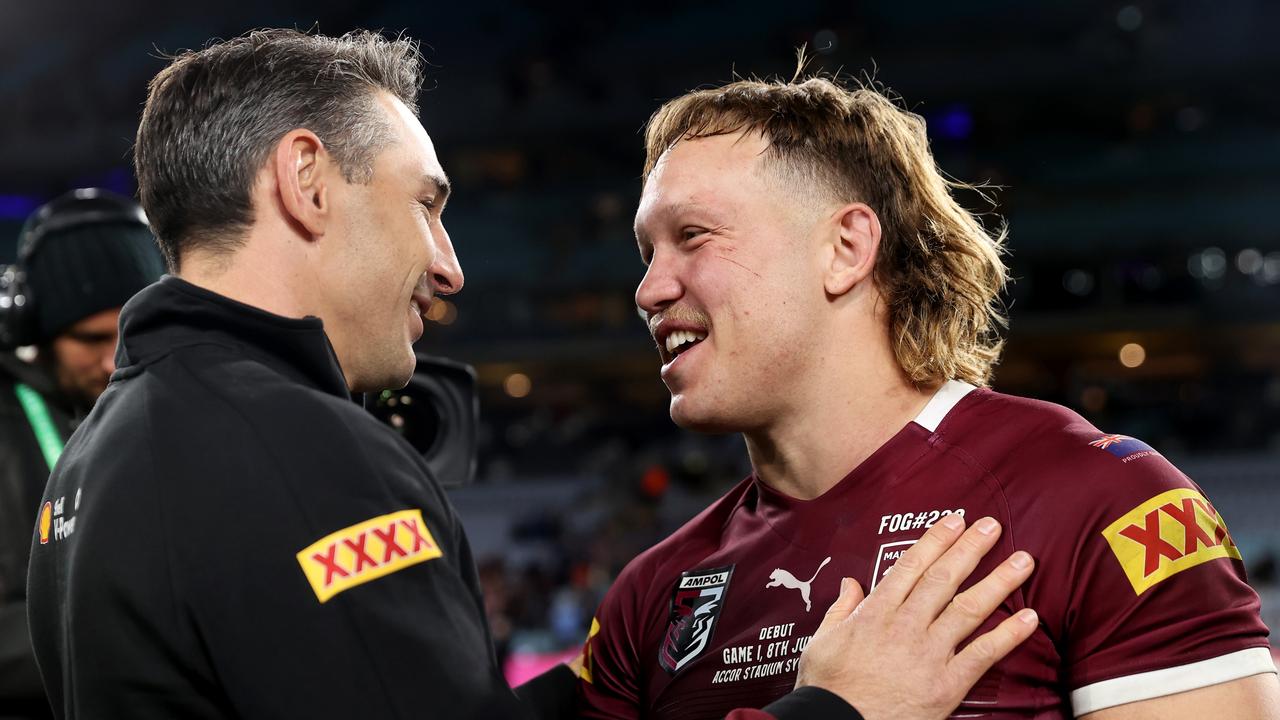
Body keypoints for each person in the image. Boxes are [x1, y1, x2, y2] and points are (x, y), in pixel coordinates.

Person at [24, 30, 1038, 720]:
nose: (448, 262)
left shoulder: (95, 452)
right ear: (304, 180)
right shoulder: (293, 447)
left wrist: (615, 666)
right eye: (425, 202)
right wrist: (836, 712)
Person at [577, 74, 1280, 719]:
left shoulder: (1099, 500)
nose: (649, 291)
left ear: (846, 248)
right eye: (648, 254)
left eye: (692, 237)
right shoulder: (652, 594)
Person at [0, 188, 164, 719]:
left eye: (126, 331)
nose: (110, 360)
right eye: (89, 338)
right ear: (37, 334)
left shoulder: (175, 404)